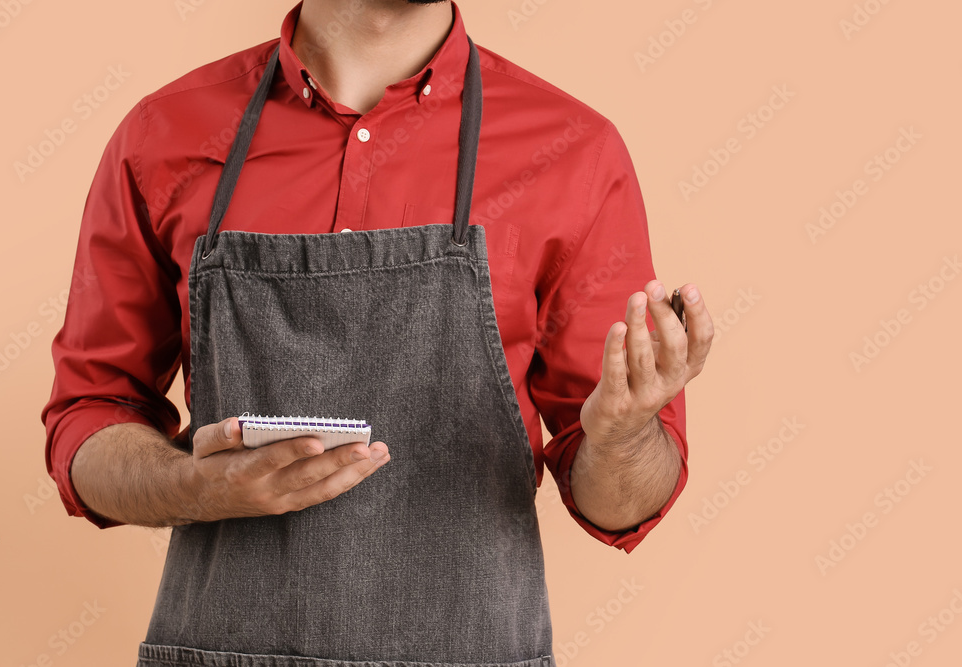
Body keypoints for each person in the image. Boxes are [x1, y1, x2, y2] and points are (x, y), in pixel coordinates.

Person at [41, 1, 713, 665]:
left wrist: (622, 438)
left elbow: (620, 503)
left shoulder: (574, 151)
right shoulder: (164, 134)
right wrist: (190, 485)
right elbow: (90, 411)